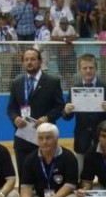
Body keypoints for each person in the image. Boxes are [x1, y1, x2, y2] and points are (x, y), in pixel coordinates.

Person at [6, 48, 65, 181]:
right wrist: (15, 118)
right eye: (26, 60)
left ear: (40, 61)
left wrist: (47, 118)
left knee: (45, 174)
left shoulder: (52, 81)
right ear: (22, 63)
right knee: (24, 174)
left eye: (33, 59)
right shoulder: (17, 82)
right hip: (23, 136)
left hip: (45, 137)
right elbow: (11, 108)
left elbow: (60, 106)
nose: (29, 62)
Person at [16, 123, 79, 197]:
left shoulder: (68, 157)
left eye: (48, 138)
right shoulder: (30, 159)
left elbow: (70, 184)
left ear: (56, 138)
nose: (44, 141)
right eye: (41, 138)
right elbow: (26, 186)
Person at [63, 53, 106, 174]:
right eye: (85, 68)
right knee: (80, 173)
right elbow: (67, 116)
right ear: (79, 70)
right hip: (82, 137)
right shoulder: (74, 89)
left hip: (103, 138)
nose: (88, 71)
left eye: (91, 68)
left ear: (96, 69)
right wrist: (66, 111)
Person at [51, 17, 78, 91]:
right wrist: (64, 39)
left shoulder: (71, 28)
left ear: (67, 24)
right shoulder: (56, 29)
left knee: (71, 70)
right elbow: (53, 38)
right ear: (60, 24)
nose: (64, 25)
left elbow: (75, 36)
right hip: (60, 52)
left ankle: (70, 87)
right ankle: (73, 83)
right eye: (62, 24)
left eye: (65, 24)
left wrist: (67, 39)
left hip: (70, 52)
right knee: (62, 70)